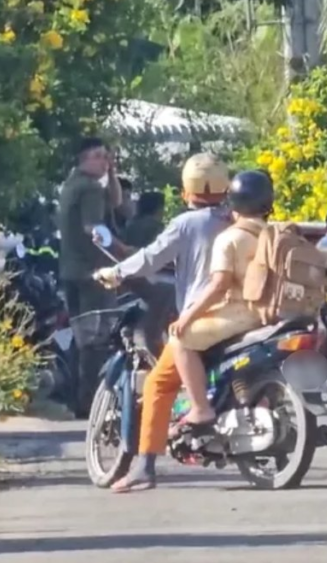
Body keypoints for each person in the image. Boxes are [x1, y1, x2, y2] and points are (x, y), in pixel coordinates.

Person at [92, 152, 232, 493]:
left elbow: (151, 258)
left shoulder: (186, 224)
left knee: (157, 384)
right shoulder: (235, 219)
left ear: (186, 191)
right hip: (240, 316)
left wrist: (116, 273)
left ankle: (145, 466)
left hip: (202, 317)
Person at [168, 170, 274, 429]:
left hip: (242, 314)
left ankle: (200, 409)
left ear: (232, 203)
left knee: (180, 340)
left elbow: (219, 286)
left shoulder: (229, 238)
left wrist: (187, 317)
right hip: (272, 313)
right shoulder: (275, 235)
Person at [57, 137, 123, 415]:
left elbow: (116, 201)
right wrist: (122, 252)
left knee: (80, 337)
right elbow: (94, 229)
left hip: (71, 270)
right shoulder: (91, 189)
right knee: (96, 340)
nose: (104, 162)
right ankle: (90, 402)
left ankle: (77, 399)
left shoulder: (71, 185)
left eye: (106, 157)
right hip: (93, 273)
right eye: (99, 156)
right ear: (85, 159)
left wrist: (112, 173)